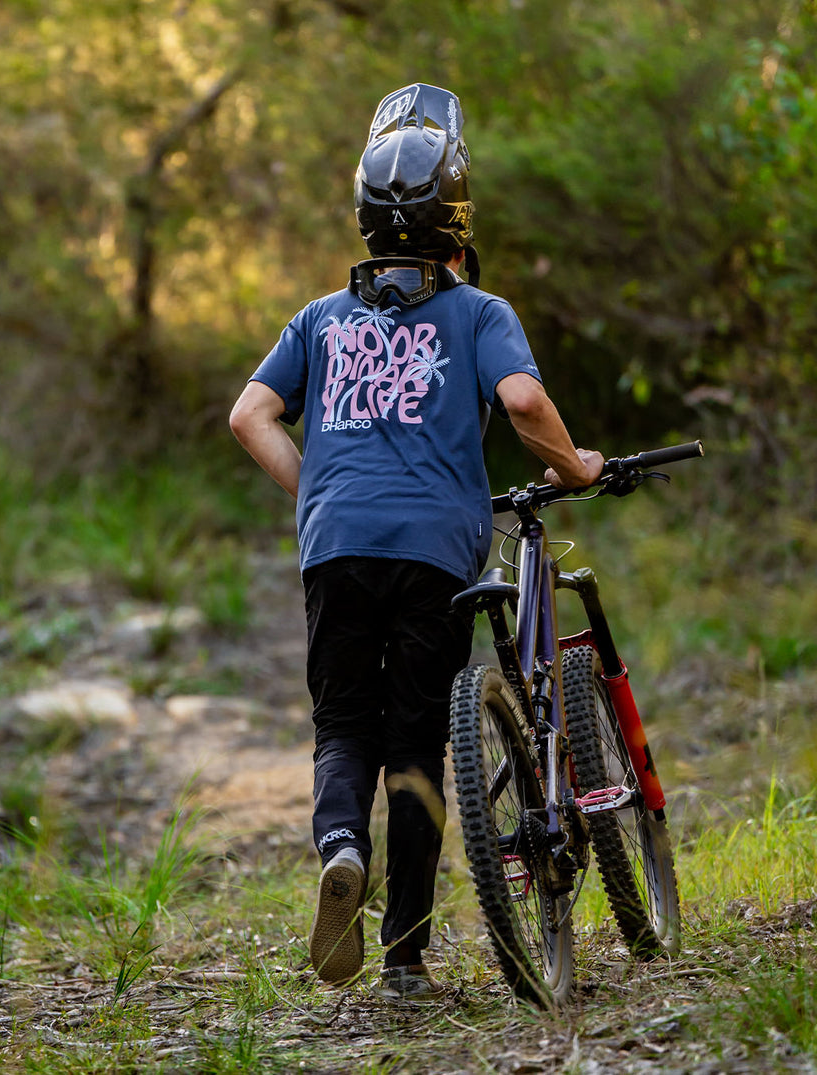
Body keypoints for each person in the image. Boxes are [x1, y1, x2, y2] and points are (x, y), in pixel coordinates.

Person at [229, 83, 603, 1000]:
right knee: (414, 745)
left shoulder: (320, 317)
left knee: (342, 725)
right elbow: (520, 402)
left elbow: (250, 415)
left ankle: (342, 849)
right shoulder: (479, 311)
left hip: (335, 546)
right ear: (459, 218)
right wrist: (575, 468)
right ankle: (404, 961)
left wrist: (318, 485)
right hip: (436, 549)